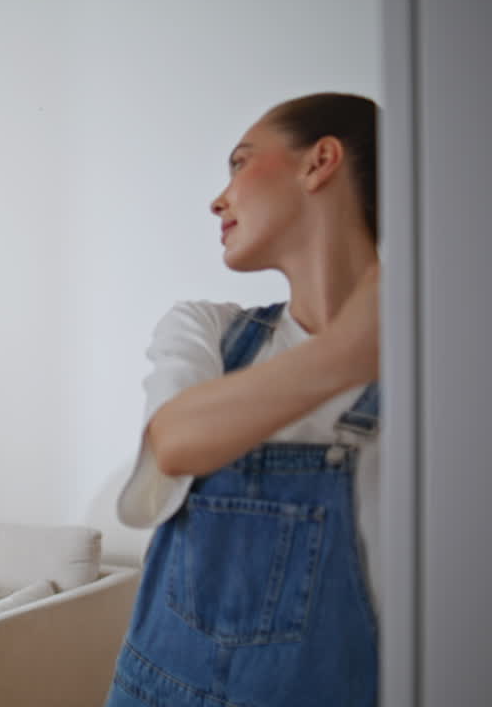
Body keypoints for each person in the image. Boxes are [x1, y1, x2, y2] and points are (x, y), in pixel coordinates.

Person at [105, 93, 380, 707]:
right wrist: (353, 348)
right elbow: (174, 443)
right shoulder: (208, 328)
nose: (217, 198)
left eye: (239, 162)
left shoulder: (446, 367)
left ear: (320, 162)